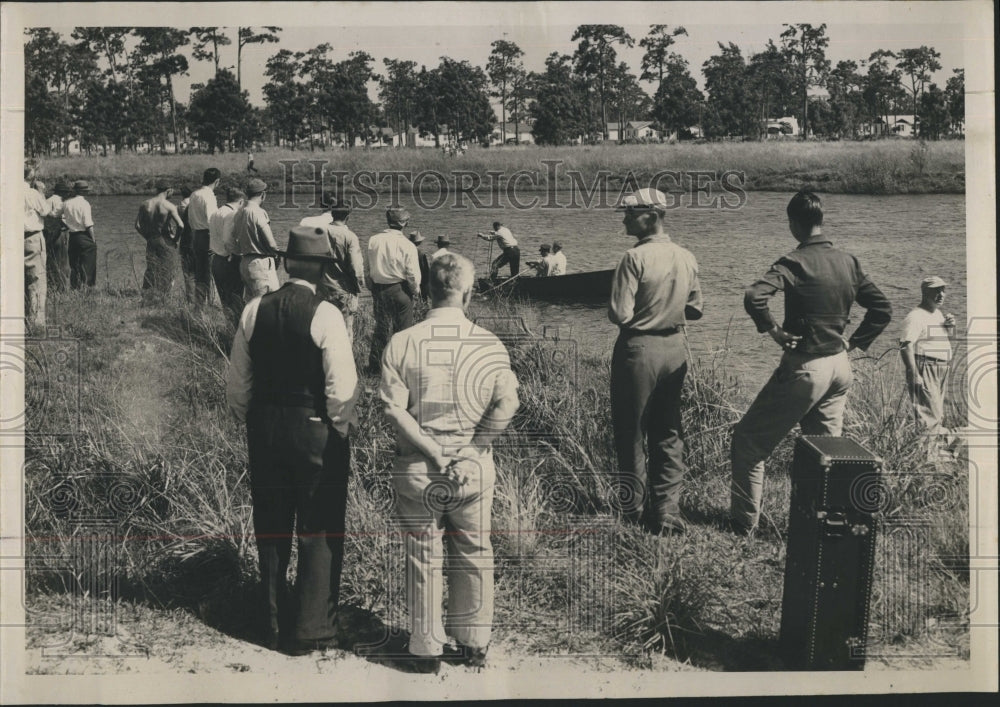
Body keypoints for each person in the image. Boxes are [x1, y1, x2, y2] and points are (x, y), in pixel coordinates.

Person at [379, 253, 520, 673]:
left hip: (420, 467)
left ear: (424, 290)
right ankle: (474, 642)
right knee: (475, 549)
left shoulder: (403, 342)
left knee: (423, 554)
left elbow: (393, 409)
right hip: (472, 467)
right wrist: (475, 447)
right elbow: (507, 402)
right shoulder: (488, 343)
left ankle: (425, 648)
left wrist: (434, 451)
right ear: (468, 292)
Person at [226, 225, 360, 656]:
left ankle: (267, 624)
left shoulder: (253, 310)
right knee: (318, 528)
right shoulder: (327, 314)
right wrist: (338, 428)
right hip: (315, 427)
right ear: (323, 269)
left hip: (264, 427)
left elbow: (237, 384)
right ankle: (312, 629)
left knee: (270, 524)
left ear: (283, 264)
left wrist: (253, 419)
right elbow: (342, 387)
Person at [730, 191, 892, 534]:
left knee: (748, 442)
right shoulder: (849, 260)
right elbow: (882, 309)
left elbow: (754, 296)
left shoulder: (794, 261)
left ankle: (743, 528)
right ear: (820, 221)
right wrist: (856, 341)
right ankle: (823, 530)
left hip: (806, 368)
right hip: (839, 365)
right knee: (824, 454)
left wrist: (772, 330)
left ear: (793, 224)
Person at [608, 188, 703, 535]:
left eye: (630, 214)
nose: (625, 219)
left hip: (639, 349)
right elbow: (695, 309)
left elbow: (619, 314)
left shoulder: (633, 258)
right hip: (675, 348)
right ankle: (666, 510)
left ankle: (632, 510)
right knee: (668, 430)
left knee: (631, 431)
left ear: (651, 216)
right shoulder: (686, 255)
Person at [899, 276, 957, 448]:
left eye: (943, 290)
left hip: (941, 368)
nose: (941, 295)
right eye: (936, 291)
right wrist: (914, 373)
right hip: (926, 367)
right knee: (928, 415)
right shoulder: (915, 316)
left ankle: (931, 454)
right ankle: (926, 459)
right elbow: (904, 346)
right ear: (925, 292)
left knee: (937, 413)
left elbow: (946, 339)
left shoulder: (937, 313)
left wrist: (950, 327)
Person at [299, 195, 365, 346]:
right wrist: (359, 286)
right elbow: (356, 268)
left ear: (332, 214)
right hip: (343, 289)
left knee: (323, 328)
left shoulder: (318, 232)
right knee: (345, 330)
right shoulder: (350, 236)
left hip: (322, 287)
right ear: (348, 216)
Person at [365, 208, 421, 374]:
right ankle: (400, 369)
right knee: (403, 332)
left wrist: (371, 287)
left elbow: (367, 268)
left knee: (380, 329)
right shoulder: (408, 245)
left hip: (379, 289)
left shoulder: (373, 240)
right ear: (405, 223)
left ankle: (375, 367)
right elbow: (412, 275)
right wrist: (415, 291)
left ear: (388, 221)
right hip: (400, 289)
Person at [135, 180, 184, 305]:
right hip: (165, 240)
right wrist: (175, 239)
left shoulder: (145, 204)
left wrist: (147, 237)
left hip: (151, 240)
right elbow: (181, 225)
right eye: (173, 190)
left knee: (151, 268)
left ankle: (146, 298)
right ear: (169, 190)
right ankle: (163, 299)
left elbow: (137, 225)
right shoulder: (169, 206)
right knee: (168, 270)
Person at [234, 178, 280, 298]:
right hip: (260, 264)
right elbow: (271, 244)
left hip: (245, 263)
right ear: (263, 194)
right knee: (269, 304)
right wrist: (277, 255)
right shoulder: (258, 212)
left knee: (251, 305)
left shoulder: (239, 212)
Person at [210, 187, 246, 319]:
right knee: (236, 300)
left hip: (217, 259)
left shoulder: (216, 212)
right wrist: (238, 254)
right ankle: (237, 333)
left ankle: (229, 331)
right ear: (241, 201)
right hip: (229, 260)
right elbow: (227, 240)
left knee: (226, 301)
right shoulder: (232, 214)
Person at [188, 168, 221, 308]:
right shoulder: (209, 196)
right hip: (208, 235)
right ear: (217, 181)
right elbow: (212, 220)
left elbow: (190, 218)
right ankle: (211, 303)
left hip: (196, 235)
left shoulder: (194, 194)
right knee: (211, 271)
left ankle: (200, 303)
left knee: (200, 273)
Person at [24, 167, 52, 329]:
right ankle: (36, 322)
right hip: (31, 237)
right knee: (36, 279)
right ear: (32, 178)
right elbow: (46, 210)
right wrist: (40, 192)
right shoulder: (32, 193)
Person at [63, 180, 98, 290]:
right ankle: (87, 289)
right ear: (84, 192)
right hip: (84, 236)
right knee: (88, 266)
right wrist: (93, 240)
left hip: (72, 237)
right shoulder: (85, 204)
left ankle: (75, 288)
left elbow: (62, 218)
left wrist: (68, 226)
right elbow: (88, 224)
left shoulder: (66, 203)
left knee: (75, 265)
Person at [43, 181, 72, 293]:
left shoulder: (48, 200)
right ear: (62, 193)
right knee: (63, 261)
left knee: (51, 261)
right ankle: (62, 288)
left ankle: (52, 286)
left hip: (48, 234)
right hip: (59, 233)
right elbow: (62, 220)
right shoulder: (59, 201)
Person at [178, 186, 196, 303]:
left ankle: (190, 299)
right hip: (196, 240)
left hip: (185, 241)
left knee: (188, 274)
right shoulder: (194, 205)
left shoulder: (180, 206)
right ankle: (201, 300)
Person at [408, 231, 431, 302]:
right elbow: (425, 270)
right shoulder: (421, 254)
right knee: (423, 300)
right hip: (421, 281)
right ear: (420, 242)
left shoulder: (407, 252)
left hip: (409, 281)